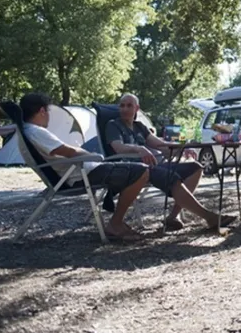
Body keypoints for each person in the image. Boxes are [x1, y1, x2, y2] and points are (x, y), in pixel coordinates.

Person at [18, 92, 150, 242]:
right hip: (81, 174)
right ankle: (115, 224)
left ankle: (116, 220)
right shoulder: (36, 131)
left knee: (132, 170)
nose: (49, 116)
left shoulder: (27, 130)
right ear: (42, 111)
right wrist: (91, 155)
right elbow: (68, 151)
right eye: (48, 111)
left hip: (81, 171)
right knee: (141, 171)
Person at [107, 93, 235, 231]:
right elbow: (118, 147)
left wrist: (181, 149)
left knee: (195, 167)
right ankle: (209, 217)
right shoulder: (113, 125)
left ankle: (173, 216)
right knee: (172, 176)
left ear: (136, 108)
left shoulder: (139, 127)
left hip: (153, 166)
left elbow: (160, 145)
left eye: (129, 105)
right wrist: (139, 149)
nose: (125, 109)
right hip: (133, 169)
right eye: (122, 106)